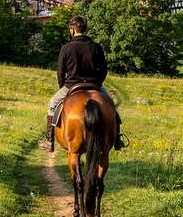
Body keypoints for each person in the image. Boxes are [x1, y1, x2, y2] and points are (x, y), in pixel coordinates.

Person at [46, 15, 125, 151]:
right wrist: (98, 83)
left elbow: (60, 72)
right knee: (112, 108)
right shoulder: (96, 47)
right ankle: (117, 140)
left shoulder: (66, 48)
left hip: (71, 85)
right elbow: (104, 70)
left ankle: (49, 140)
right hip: (95, 86)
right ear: (85, 28)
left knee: (52, 104)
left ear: (72, 29)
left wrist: (63, 87)